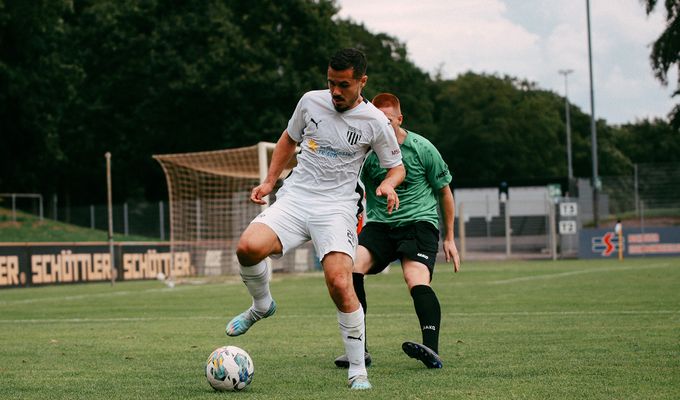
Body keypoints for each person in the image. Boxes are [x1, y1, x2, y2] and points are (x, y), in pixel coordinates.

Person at [225, 49, 405, 390]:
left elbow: (396, 167)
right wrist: (268, 181)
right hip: (296, 197)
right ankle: (261, 305)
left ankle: (358, 370)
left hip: (337, 208)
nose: (335, 91)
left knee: (340, 282)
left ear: (362, 82)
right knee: (247, 248)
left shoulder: (375, 122)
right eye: (331, 83)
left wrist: (387, 183)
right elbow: (288, 140)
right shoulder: (310, 102)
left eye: (344, 85)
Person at [334, 93, 460, 370]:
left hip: (419, 224)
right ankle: (359, 348)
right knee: (349, 268)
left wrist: (450, 238)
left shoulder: (422, 148)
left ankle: (432, 349)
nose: (382, 125)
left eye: (387, 120)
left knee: (414, 277)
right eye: (377, 120)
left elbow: (444, 192)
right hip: (380, 226)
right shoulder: (366, 155)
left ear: (400, 119)